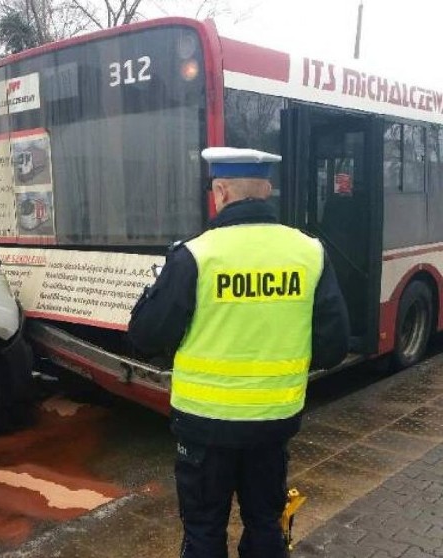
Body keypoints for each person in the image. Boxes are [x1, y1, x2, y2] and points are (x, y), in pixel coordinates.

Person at [127, 147, 350, 558]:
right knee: (266, 525)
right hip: (273, 423)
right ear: (266, 191)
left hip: (203, 428)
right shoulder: (309, 253)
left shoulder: (195, 254)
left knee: (204, 532)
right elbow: (334, 346)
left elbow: (144, 335)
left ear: (222, 191)